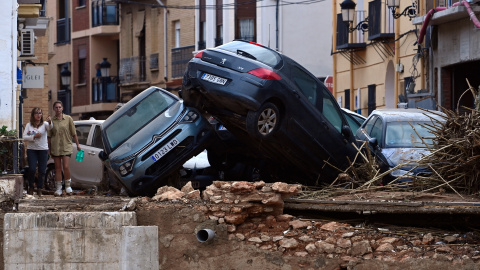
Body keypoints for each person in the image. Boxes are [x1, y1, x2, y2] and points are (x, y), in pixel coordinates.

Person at [47, 101, 81, 196]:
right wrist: (49, 149)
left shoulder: (68, 119)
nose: (58, 109)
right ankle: (58, 188)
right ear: (54, 109)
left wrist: (78, 145)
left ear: (62, 108)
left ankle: (68, 186)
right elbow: (49, 136)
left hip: (66, 145)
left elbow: (74, 133)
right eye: (56, 107)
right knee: (57, 168)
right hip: (56, 146)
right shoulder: (52, 121)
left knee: (65, 166)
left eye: (59, 107)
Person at [23, 107, 53, 196]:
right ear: (33, 115)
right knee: (32, 169)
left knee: (42, 170)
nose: (38, 115)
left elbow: (51, 127)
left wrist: (50, 122)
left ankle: (40, 188)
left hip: (43, 149)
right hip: (32, 149)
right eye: (36, 113)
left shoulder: (45, 124)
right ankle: (31, 186)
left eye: (40, 113)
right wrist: (34, 136)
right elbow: (24, 137)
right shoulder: (29, 125)